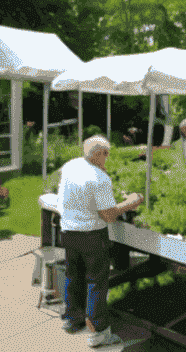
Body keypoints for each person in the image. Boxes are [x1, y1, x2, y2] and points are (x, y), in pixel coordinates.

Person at [57, 135, 142, 347]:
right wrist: (130, 202)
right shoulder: (99, 179)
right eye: (106, 154)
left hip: (68, 231)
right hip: (91, 235)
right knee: (96, 282)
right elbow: (109, 216)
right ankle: (99, 332)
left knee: (73, 275)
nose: (108, 159)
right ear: (98, 154)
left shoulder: (71, 166)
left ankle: (72, 319)